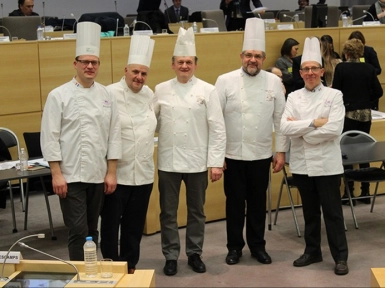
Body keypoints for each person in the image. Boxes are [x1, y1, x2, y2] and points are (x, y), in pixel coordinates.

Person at [40, 22, 122, 261]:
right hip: (71, 175)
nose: (89, 66)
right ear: (75, 64)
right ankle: (79, 276)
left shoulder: (107, 95)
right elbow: (50, 136)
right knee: (78, 230)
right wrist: (56, 174)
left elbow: (113, 135)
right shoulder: (59, 95)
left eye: (94, 62)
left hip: (98, 174)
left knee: (92, 229)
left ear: (98, 65)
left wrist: (111, 172)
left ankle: (91, 271)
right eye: (84, 62)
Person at [215, 18, 288, 266]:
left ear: (264, 58)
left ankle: (258, 246)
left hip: (261, 155)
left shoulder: (274, 82)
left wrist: (280, 152)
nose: (252, 60)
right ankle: (234, 247)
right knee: (234, 205)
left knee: (257, 205)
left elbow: (281, 120)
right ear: (241, 56)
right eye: (248, 55)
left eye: (257, 55)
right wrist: (217, 156)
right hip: (232, 156)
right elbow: (216, 122)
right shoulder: (224, 81)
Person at [154, 27, 226, 276]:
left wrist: (216, 162)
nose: (185, 65)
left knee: (197, 211)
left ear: (195, 64)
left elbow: (218, 128)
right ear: (172, 65)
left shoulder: (208, 90)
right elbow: (151, 124)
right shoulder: (160, 89)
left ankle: (195, 253)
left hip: (197, 161)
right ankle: (171, 255)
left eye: (189, 62)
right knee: (168, 212)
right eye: (180, 62)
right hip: (168, 162)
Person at [281, 37, 349, 276]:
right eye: (306, 69)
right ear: (300, 72)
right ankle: (312, 251)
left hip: (328, 165)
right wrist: (313, 123)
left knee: (333, 213)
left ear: (322, 71)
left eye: (314, 69)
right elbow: (284, 128)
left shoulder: (334, 95)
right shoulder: (293, 97)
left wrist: (302, 131)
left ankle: (340, 257)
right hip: (301, 164)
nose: (310, 73)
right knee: (309, 212)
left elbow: (334, 129)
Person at [100, 35, 156, 274]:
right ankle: (112, 264)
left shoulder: (149, 94)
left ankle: (131, 264)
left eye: (143, 73)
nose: (139, 77)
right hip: (117, 173)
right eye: (135, 72)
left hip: (143, 172)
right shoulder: (109, 94)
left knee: (134, 225)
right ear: (125, 70)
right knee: (111, 225)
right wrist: (109, 172)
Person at [332, 38, 383, 205]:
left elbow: (336, 92)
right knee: (364, 150)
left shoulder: (341, 68)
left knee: (347, 152)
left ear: (346, 53)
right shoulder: (369, 68)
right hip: (365, 114)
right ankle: (366, 191)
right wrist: (366, 101)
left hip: (348, 113)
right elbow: (379, 91)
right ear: (361, 52)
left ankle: (349, 193)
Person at [346, 30, 382, 110]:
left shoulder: (369, 51)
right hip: (352, 90)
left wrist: (365, 71)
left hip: (368, 89)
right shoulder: (347, 52)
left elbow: (378, 69)